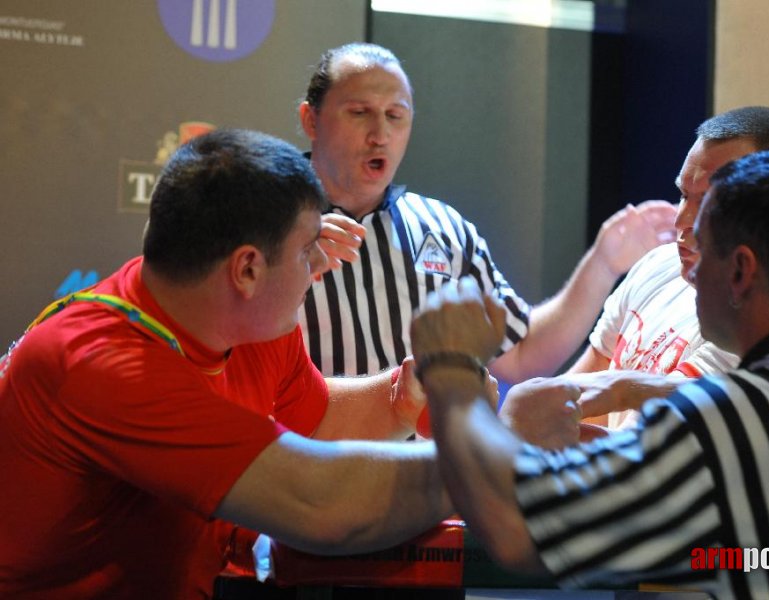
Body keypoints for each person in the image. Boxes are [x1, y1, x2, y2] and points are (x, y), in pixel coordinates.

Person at [411, 149, 769, 597]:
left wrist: (451, 370)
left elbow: (515, 530)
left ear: (741, 271)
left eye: (703, 247)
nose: (688, 270)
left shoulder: (715, 427)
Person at [0, 129, 455, 599]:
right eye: (307, 248)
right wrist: (502, 453)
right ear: (247, 270)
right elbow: (319, 501)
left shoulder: (242, 321)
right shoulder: (100, 365)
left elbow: (313, 426)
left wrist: (402, 396)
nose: (321, 263)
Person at [297, 42, 677, 381]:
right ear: (310, 120)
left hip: (427, 461)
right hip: (308, 460)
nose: (380, 134)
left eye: (395, 115)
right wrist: (291, 264)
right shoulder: (268, 225)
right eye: (360, 112)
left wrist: (602, 264)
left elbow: (519, 355)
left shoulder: (444, 229)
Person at [562, 106, 769, 432]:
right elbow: (573, 404)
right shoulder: (659, 265)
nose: (682, 221)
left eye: (708, 204)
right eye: (683, 195)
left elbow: (644, 449)